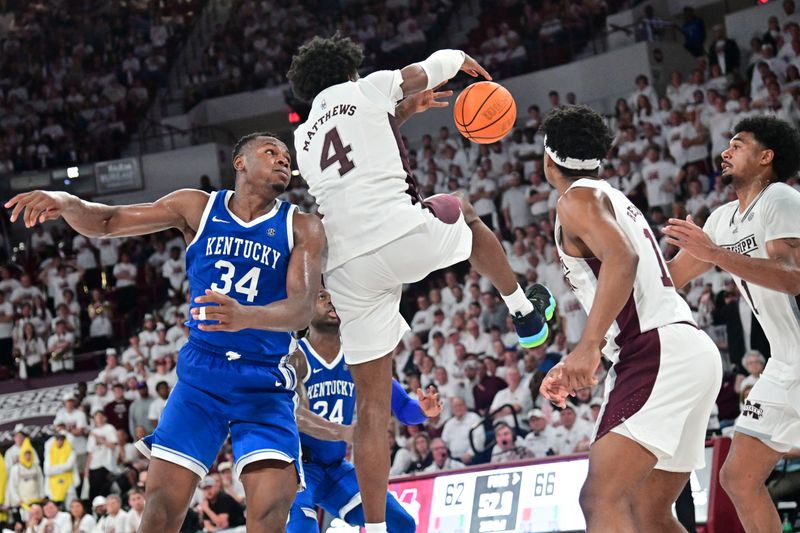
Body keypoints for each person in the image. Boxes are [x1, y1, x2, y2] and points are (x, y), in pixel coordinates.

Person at [288, 36, 554, 532]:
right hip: (399, 234)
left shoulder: (303, 139)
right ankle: (523, 310)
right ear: (349, 68)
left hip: (346, 269)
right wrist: (456, 59)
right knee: (465, 212)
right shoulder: (367, 88)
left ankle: (372, 528)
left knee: (370, 408)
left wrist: (402, 114)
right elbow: (424, 69)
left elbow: (354, 150)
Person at [5, 131, 326, 533]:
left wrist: (246, 316)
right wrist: (66, 201)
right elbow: (108, 221)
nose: (282, 158)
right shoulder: (197, 206)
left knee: (269, 515)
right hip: (202, 380)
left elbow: (299, 311)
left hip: (264, 381)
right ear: (239, 162)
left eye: (285, 154)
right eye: (270, 151)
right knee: (158, 513)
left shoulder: (303, 225)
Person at [538, 105, 722, 532]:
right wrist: (579, 356)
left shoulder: (576, 199)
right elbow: (645, 286)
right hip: (684, 348)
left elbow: (623, 258)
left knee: (601, 499)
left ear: (548, 160)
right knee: (646, 511)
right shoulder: (614, 199)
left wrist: (588, 346)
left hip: (655, 352)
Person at [663, 115, 800, 533]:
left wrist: (717, 255)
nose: (725, 151)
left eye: (737, 144)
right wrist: (607, 272)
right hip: (786, 362)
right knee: (738, 477)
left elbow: (793, 275)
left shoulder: (780, 198)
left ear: (765, 157)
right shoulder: (722, 219)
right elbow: (671, 277)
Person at [286, 289, 440, 532]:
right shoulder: (295, 356)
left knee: (402, 524)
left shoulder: (359, 357)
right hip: (297, 469)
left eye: (336, 297)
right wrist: (342, 432)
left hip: (335, 468)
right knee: (303, 528)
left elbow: (402, 407)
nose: (331, 303)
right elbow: (294, 414)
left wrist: (423, 411)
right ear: (306, 309)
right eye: (323, 297)